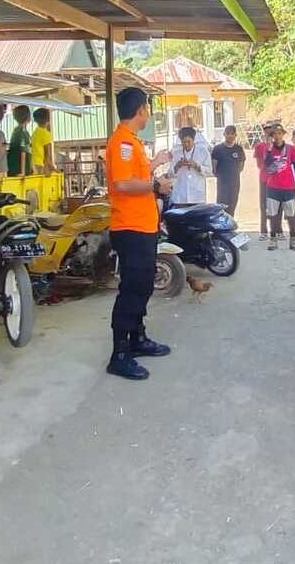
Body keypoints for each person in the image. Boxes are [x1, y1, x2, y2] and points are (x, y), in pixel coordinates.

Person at [104, 87, 174, 381]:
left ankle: (137, 338)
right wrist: (156, 187)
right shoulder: (122, 143)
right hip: (130, 228)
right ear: (141, 109)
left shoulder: (131, 143)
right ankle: (120, 354)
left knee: (143, 286)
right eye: (147, 107)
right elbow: (122, 184)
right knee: (132, 289)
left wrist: (155, 163)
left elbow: (136, 175)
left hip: (142, 226)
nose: (149, 112)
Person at [264, 123, 295, 251]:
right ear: (272, 136)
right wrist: (269, 149)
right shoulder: (268, 149)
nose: (277, 136)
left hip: (288, 187)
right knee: (273, 215)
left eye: (280, 133)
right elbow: (267, 166)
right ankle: (273, 239)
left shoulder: (290, 149)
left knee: (291, 215)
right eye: (275, 134)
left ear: (283, 134)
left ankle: (293, 240)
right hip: (273, 187)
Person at [171, 126, 211, 206]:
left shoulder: (202, 151)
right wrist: (178, 166)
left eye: (189, 141)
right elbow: (169, 174)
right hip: (180, 197)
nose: (186, 144)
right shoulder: (175, 153)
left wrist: (197, 166)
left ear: (194, 140)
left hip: (197, 195)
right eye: (183, 142)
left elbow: (209, 172)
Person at [210, 124, 245, 216]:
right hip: (222, 183)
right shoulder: (217, 149)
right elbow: (214, 167)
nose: (230, 135)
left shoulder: (239, 149)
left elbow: (241, 166)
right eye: (228, 133)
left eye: (232, 134)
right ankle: (221, 226)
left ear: (235, 135)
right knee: (221, 206)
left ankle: (230, 225)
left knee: (232, 205)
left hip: (235, 182)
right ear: (224, 134)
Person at [254, 125, 272, 240]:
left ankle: (276, 229)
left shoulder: (279, 146)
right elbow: (259, 164)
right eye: (266, 132)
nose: (268, 134)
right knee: (264, 205)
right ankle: (264, 230)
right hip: (264, 178)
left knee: (276, 206)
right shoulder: (260, 146)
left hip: (276, 180)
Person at [6, 104, 33, 176]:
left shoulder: (17, 130)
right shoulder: (22, 132)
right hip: (18, 171)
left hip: (14, 169)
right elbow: (23, 152)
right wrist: (22, 172)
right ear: (28, 117)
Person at [31, 107, 55, 174]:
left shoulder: (35, 132)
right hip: (40, 165)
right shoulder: (46, 134)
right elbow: (47, 154)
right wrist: (46, 168)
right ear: (48, 119)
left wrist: (53, 168)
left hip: (33, 163)